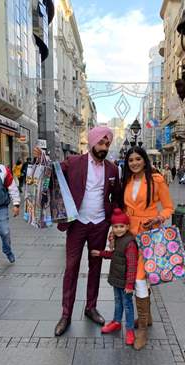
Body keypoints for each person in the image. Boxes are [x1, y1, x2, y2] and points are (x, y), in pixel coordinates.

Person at [33, 127, 121, 337]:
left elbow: (116, 197)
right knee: (71, 268)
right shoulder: (74, 162)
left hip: (100, 224)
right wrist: (42, 159)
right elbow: (52, 171)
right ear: (91, 143)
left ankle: (91, 307)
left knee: (95, 267)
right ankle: (66, 314)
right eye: (101, 143)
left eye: (107, 144)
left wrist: (114, 224)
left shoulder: (112, 169)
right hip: (77, 223)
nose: (104, 148)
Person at [121, 147, 174, 350]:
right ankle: (148, 316)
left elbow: (169, 206)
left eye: (137, 159)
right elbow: (125, 208)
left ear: (144, 160)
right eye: (131, 160)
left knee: (138, 278)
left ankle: (142, 328)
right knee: (134, 275)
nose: (134, 163)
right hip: (128, 233)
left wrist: (159, 217)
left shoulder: (156, 180)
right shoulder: (126, 181)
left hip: (148, 232)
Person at [91, 208, 137, 346]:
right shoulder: (117, 240)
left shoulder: (130, 243)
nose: (118, 229)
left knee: (127, 305)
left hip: (125, 282)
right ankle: (116, 322)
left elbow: (132, 265)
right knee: (117, 302)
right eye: (115, 227)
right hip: (116, 278)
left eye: (121, 226)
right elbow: (115, 255)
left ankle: (129, 330)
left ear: (127, 227)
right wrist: (100, 253)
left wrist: (129, 284)